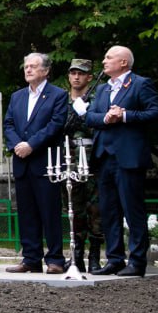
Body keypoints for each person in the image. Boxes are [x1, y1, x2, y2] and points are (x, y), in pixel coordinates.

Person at [86, 45, 158, 277]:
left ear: (124, 63)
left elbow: (155, 112)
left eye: (109, 57)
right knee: (108, 211)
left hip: (129, 157)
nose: (104, 61)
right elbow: (90, 116)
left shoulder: (140, 84)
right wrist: (107, 118)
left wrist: (125, 115)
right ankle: (114, 258)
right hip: (104, 157)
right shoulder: (101, 89)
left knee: (132, 210)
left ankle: (137, 261)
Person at [2, 52, 68, 273]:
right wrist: (16, 145)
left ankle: (55, 260)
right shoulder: (17, 96)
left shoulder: (58, 95)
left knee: (49, 212)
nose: (27, 70)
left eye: (33, 66)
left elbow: (55, 124)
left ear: (46, 70)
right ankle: (30, 258)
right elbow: (8, 124)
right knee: (27, 213)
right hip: (22, 163)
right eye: (26, 66)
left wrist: (31, 144)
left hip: (45, 162)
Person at [63, 59, 103, 271]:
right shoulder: (61, 101)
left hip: (91, 159)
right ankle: (76, 257)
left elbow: (100, 129)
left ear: (89, 77)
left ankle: (95, 257)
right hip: (68, 159)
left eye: (82, 73)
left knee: (96, 210)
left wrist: (85, 114)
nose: (76, 77)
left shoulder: (96, 100)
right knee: (73, 209)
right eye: (73, 73)